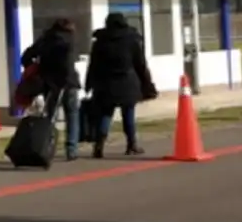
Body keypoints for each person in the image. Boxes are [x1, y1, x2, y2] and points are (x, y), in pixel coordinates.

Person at [85, 12, 156, 157]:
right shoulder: (131, 40)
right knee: (128, 114)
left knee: (105, 114)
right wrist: (147, 84)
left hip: (106, 83)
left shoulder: (100, 41)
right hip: (128, 82)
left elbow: (93, 65)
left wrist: (89, 83)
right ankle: (131, 145)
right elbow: (140, 65)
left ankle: (99, 145)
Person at [20, 18, 82, 161]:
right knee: (72, 115)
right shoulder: (69, 40)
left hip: (50, 82)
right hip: (68, 82)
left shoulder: (45, 40)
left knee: (50, 116)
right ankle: (71, 149)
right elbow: (67, 63)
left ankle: (46, 145)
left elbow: (26, 57)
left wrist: (37, 70)